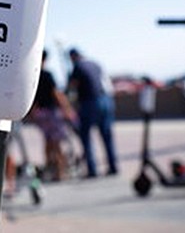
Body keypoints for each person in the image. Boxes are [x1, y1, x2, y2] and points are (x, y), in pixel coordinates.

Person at [67, 47, 118, 178]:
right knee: (107, 136)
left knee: (86, 136)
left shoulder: (77, 67)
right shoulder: (96, 64)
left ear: (73, 57)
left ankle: (92, 169)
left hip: (90, 102)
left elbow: (72, 87)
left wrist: (70, 102)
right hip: (106, 100)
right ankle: (113, 166)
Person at [26, 49, 76, 181]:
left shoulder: (33, 74)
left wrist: (32, 113)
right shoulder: (48, 75)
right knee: (57, 143)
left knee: (47, 142)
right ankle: (59, 172)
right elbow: (56, 94)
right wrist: (67, 109)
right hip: (51, 112)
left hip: (40, 113)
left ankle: (49, 169)